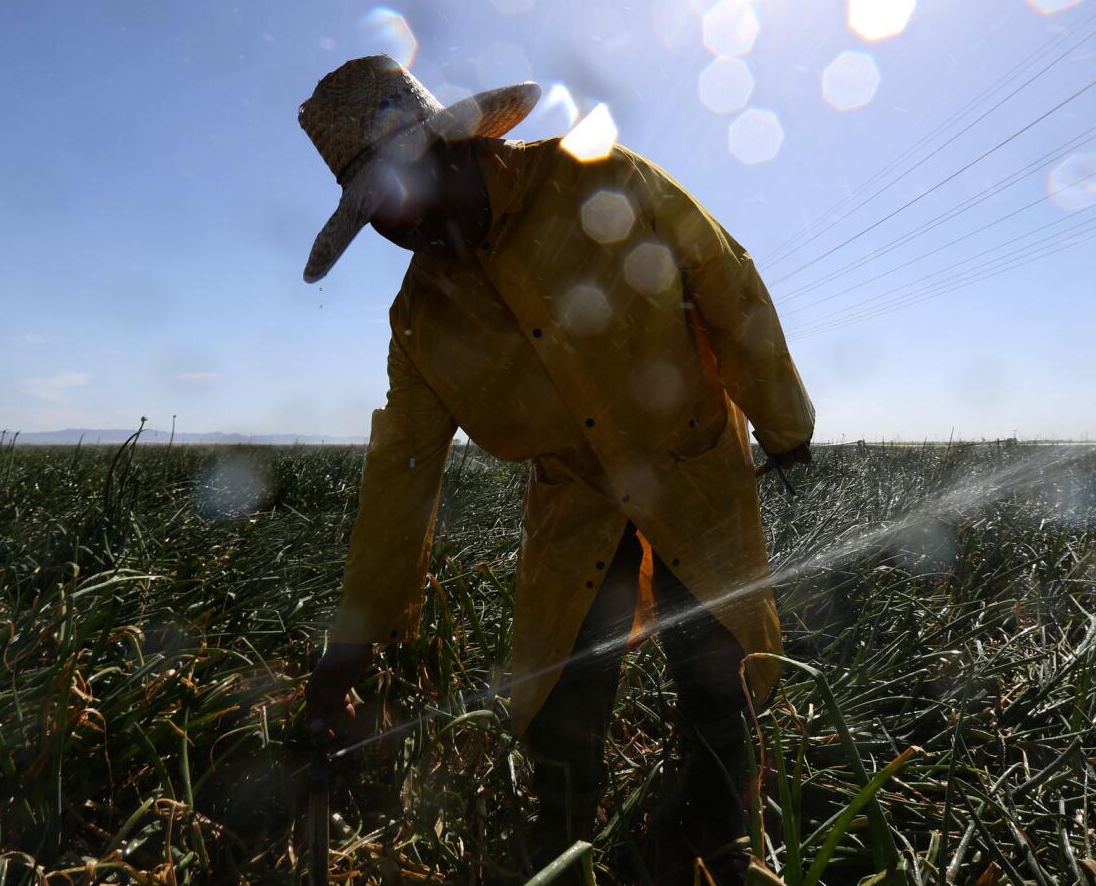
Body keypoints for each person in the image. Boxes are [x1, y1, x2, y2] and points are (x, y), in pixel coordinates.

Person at [299, 55, 814, 885]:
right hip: (574, 504)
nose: (409, 227)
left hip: (691, 471)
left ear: (458, 147)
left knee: (717, 674)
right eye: (381, 218)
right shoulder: (422, 317)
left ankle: (721, 844)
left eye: (407, 192)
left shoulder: (602, 179)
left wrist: (787, 426)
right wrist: (350, 641)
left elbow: (729, 282)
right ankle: (561, 849)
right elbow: (401, 470)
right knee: (560, 701)